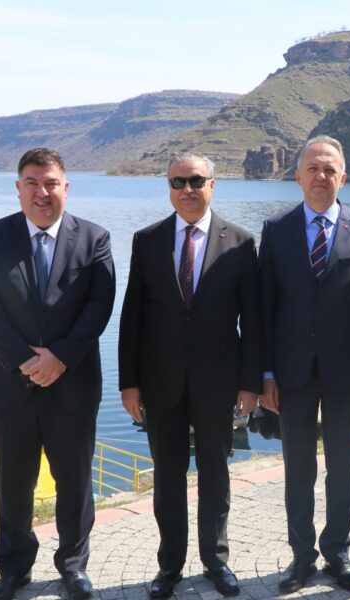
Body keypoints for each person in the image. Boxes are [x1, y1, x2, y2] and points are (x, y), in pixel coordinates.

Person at [0, 148, 115, 600]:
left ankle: (73, 565)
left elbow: (99, 306)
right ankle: (14, 569)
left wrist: (60, 358)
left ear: (65, 187)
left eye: (51, 183)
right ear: (18, 188)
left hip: (74, 382)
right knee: (13, 480)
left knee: (75, 479)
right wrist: (25, 360)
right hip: (10, 382)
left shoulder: (94, 238)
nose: (42, 193)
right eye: (32, 183)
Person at [118, 153, 261, 598]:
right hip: (160, 382)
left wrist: (250, 383)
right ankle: (170, 565)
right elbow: (132, 315)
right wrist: (129, 383)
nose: (187, 189)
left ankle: (216, 561)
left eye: (196, 180)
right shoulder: (147, 240)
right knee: (168, 476)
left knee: (216, 474)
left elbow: (253, 321)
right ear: (169, 187)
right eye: (178, 182)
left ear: (212, 185)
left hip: (218, 382)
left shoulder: (241, 242)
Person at [257, 135, 350, 594]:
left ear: (343, 177)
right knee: (298, 467)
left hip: (347, 372)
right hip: (291, 372)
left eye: (329, 169)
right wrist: (266, 374)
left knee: (342, 466)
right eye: (312, 168)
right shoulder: (276, 229)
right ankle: (301, 557)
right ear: (297, 176)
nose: (320, 176)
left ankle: (338, 552)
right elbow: (265, 309)